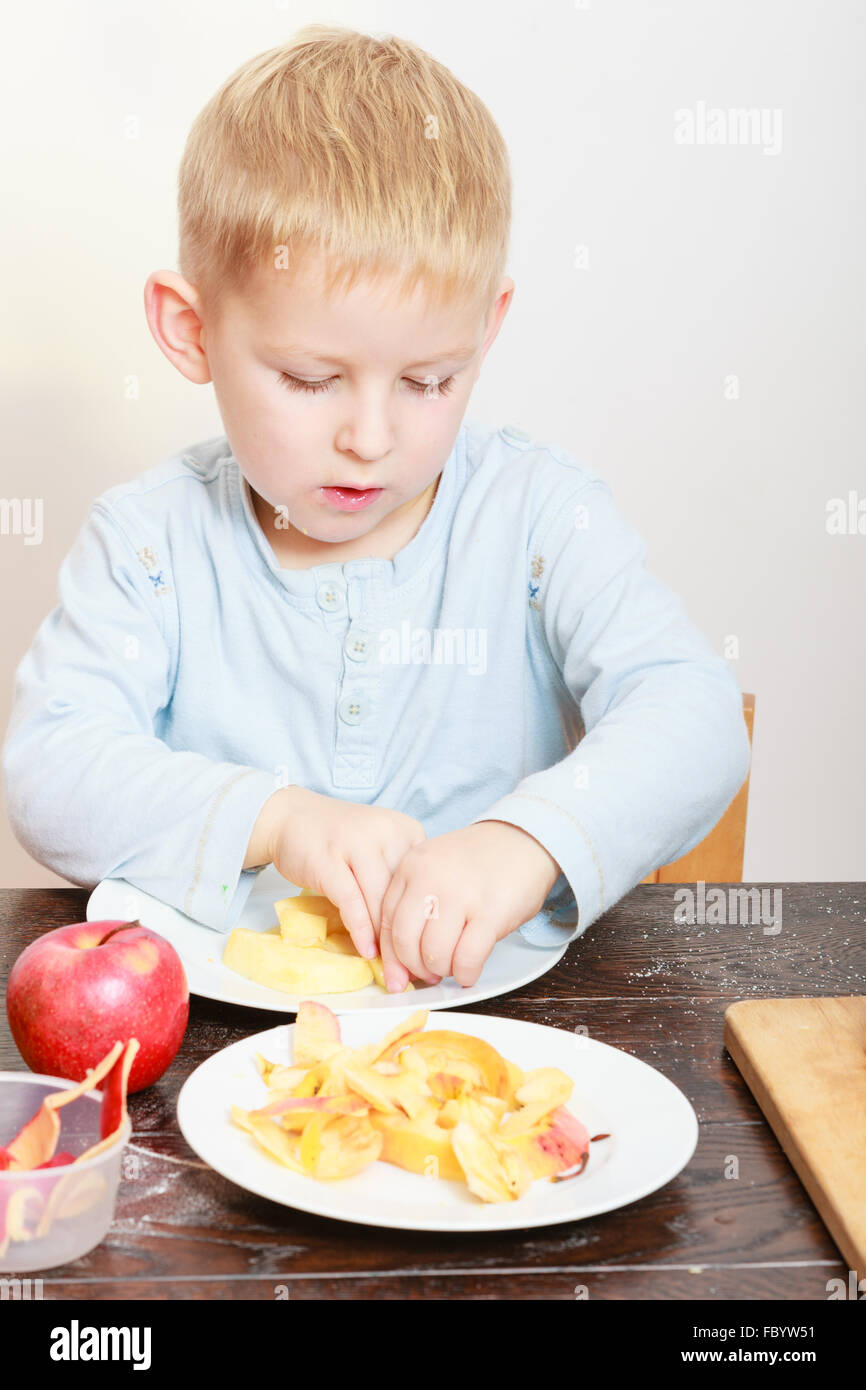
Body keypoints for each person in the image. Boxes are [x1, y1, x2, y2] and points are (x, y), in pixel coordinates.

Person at [2, 25, 751, 993]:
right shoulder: (150, 539)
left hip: (496, 1033)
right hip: (209, 1049)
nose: (369, 435)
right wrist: (276, 819)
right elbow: (51, 773)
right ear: (192, 331)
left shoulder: (534, 516)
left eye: (429, 380)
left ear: (487, 329)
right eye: (311, 379)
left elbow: (693, 715)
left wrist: (522, 841)